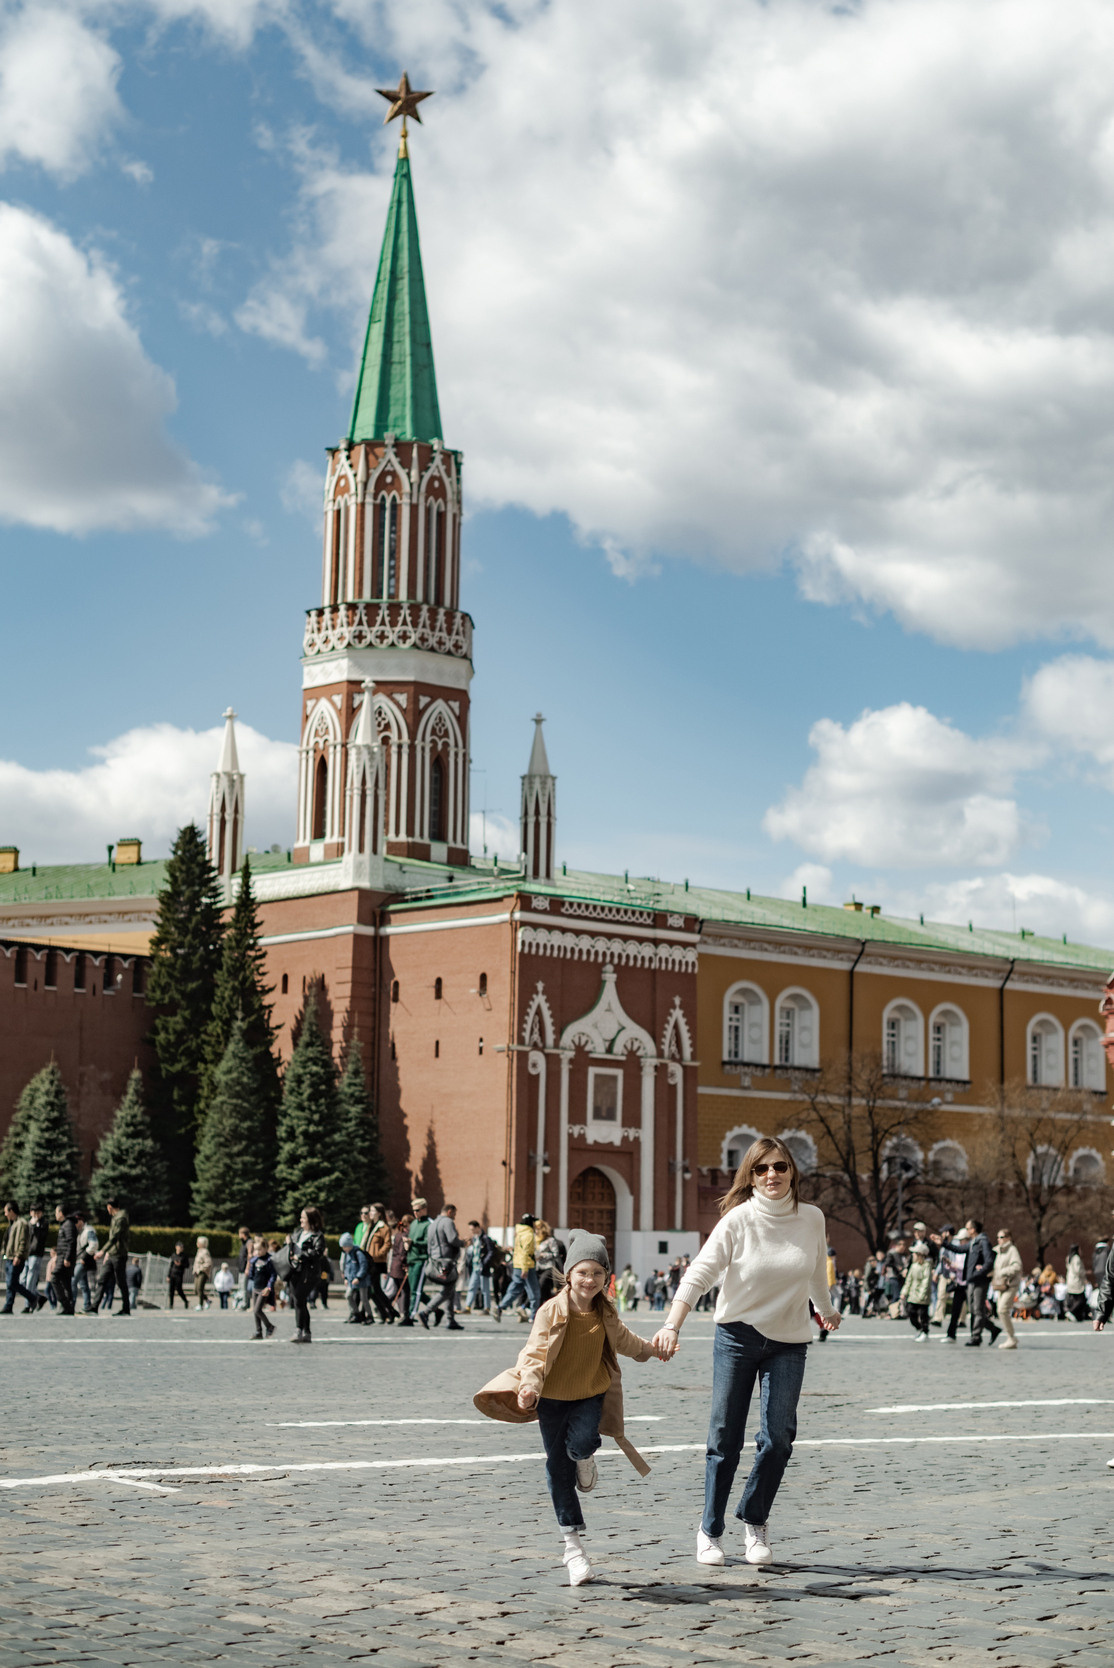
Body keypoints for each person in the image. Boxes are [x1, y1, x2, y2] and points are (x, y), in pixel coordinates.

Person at [652, 1135, 840, 1570]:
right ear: (750, 1175)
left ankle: (754, 1521)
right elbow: (699, 1274)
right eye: (761, 1169)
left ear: (792, 1169)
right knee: (725, 1438)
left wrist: (825, 1311)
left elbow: (815, 1270)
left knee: (778, 1439)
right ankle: (710, 1530)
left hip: (789, 1342)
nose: (771, 1175)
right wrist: (670, 1325)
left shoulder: (811, 1218)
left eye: (779, 1166)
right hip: (736, 1336)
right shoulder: (738, 1220)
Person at [474, 1229, 667, 1587]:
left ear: (605, 1277)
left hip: (590, 1394)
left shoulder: (605, 1312)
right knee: (556, 1468)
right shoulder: (551, 1310)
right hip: (551, 1400)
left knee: (582, 1443)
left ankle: (584, 1456)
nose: (589, 1280)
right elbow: (533, 1352)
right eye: (582, 1272)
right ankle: (573, 1548)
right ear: (568, 1273)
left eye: (597, 1273)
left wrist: (654, 1350)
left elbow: (626, 1341)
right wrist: (529, 1386)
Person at [419, 1203, 464, 1329]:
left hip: (433, 1261)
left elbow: (429, 1245)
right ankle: (426, 1311)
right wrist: (463, 1243)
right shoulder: (448, 1222)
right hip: (445, 1262)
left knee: (450, 1289)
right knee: (448, 1288)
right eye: (454, 1214)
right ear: (449, 1211)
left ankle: (451, 1320)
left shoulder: (432, 1224)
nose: (454, 1217)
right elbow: (452, 1239)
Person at [287, 1206, 326, 1344]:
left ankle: (299, 1329)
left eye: (303, 1217)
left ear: (310, 1219)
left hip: (309, 1273)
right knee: (300, 1301)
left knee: (299, 1297)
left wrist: (301, 1255)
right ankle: (306, 1332)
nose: (301, 1220)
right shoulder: (297, 1233)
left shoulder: (318, 1236)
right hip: (294, 1271)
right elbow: (290, 1248)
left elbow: (318, 1253)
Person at [497, 1213, 540, 1322]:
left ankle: (501, 1307)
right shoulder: (529, 1234)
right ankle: (533, 1316)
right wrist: (525, 1269)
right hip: (527, 1266)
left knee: (515, 1288)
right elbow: (526, 1252)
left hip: (517, 1264)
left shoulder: (519, 1233)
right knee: (534, 1292)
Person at [95, 1199, 131, 1317]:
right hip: (112, 1254)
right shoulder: (117, 1217)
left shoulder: (121, 1218)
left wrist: (102, 1251)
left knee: (121, 1282)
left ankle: (126, 1308)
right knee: (102, 1279)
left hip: (118, 1254)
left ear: (110, 1207)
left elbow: (115, 1237)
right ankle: (94, 1306)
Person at [2, 1202, 37, 1314]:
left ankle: (33, 1298)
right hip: (10, 1257)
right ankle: (8, 1306)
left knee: (12, 1282)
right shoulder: (13, 1223)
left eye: (6, 1211)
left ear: (12, 1211)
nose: (5, 1214)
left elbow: (22, 1241)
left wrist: (18, 1255)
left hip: (16, 1258)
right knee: (10, 1283)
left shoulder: (21, 1223)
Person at [991, 1228, 1023, 1349]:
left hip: (1010, 1284)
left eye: (1002, 1237)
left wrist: (1002, 1272)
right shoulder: (998, 1251)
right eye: (998, 1237)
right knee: (1000, 1311)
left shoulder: (1012, 1250)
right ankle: (1011, 1337)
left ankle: (1011, 1338)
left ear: (1008, 1238)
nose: (999, 1239)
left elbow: (1017, 1266)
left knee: (1002, 1309)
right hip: (1001, 1285)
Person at [365, 1204, 395, 1324]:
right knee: (373, 1290)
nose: (370, 1213)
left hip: (377, 1262)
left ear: (379, 1213)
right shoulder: (370, 1226)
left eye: (372, 1211)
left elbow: (388, 1244)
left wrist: (377, 1254)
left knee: (374, 1289)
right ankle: (387, 1313)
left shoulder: (384, 1227)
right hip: (368, 1261)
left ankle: (388, 1312)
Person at [900, 1242, 932, 1341]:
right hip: (913, 1295)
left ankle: (925, 1332)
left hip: (922, 1296)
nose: (912, 1255)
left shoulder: (927, 1266)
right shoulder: (913, 1266)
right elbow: (909, 1280)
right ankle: (919, 1329)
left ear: (920, 1255)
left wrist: (922, 1294)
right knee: (911, 1313)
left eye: (914, 1253)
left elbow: (926, 1281)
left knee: (923, 1315)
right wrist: (904, 1292)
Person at [406, 1199, 431, 1320]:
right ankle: (435, 1308)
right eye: (413, 1210)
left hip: (422, 1259)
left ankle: (411, 1315)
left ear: (424, 1209)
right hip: (412, 1258)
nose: (415, 1213)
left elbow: (429, 1242)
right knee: (413, 1289)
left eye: (417, 1210)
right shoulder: (414, 1223)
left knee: (416, 1290)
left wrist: (413, 1242)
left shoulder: (429, 1224)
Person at [464, 1219, 496, 1313]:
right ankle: (468, 1307)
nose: (472, 1231)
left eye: (473, 1229)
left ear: (478, 1227)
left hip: (483, 1267)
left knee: (485, 1288)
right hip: (475, 1266)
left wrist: (485, 1262)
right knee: (472, 1287)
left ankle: (487, 1308)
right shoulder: (475, 1238)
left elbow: (491, 1251)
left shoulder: (485, 1238)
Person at [339, 1232, 372, 1323]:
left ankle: (369, 1315)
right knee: (348, 1295)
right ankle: (355, 1313)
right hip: (351, 1279)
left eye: (344, 1246)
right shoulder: (347, 1254)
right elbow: (347, 1267)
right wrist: (346, 1278)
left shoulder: (358, 1252)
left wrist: (359, 1277)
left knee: (364, 1299)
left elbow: (363, 1265)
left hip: (361, 1280)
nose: (343, 1248)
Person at [248, 1237, 276, 1339]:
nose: (257, 1252)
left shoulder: (269, 1260)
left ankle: (270, 1326)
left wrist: (269, 1287)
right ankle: (258, 1331)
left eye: (259, 1249)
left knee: (257, 1310)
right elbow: (252, 1275)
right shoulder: (255, 1260)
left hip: (264, 1289)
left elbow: (273, 1275)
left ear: (265, 1248)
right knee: (255, 1312)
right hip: (256, 1287)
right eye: (255, 1249)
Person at [22, 1204, 48, 1312]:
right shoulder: (28, 1223)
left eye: (38, 1212)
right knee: (21, 1280)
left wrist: (35, 1225)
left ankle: (28, 1305)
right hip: (27, 1254)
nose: (36, 1214)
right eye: (34, 1212)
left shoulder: (43, 1223)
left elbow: (41, 1237)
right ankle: (38, 1297)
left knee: (30, 1281)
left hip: (36, 1255)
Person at [53, 1206, 78, 1316]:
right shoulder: (66, 1224)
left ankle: (65, 1304)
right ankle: (69, 1308)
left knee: (54, 1278)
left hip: (64, 1258)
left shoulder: (68, 1225)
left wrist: (67, 1258)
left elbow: (71, 1242)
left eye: (56, 1212)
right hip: (63, 1257)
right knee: (66, 1282)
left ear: (61, 1213)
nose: (55, 1215)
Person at [534, 1220, 565, 1304]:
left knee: (541, 1284)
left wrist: (543, 1255)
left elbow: (555, 1254)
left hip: (548, 1267)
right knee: (543, 1289)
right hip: (537, 1267)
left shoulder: (550, 1240)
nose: (536, 1231)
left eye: (538, 1229)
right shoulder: (535, 1241)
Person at [73, 1214, 98, 1314]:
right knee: (83, 1285)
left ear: (81, 1220)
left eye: (76, 1222)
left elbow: (94, 1244)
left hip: (83, 1261)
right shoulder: (80, 1231)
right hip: (80, 1260)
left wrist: (84, 1257)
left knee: (73, 1280)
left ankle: (72, 1303)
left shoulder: (88, 1230)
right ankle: (87, 1305)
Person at [1064, 1245, 1089, 1322]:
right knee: (1081, 1299)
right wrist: (1086, 1273)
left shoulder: (1069, 1258)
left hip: (1070, 1280)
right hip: (1076, 1281)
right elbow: (1078, 1271)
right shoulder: (1076, 1258)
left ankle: (1077, 1316)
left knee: (1075, 1298)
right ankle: (1071, 1312)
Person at [167, 1242, 190, 1308]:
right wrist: (168, 1276)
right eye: (180, 1247)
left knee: (179, 1289)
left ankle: (185, 1301)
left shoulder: (184, 1256)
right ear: (176, 1247)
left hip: (179, 1274)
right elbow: (171, 1266)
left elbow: (187, 1265)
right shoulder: (173, 1255)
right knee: (171, 1290)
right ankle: (171, 1304)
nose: (181, 1248)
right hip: (172, 1274)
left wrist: (181, 1264)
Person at [193, 1236, 213, 1309]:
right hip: (197, 1272)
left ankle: (200, 1304)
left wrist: (201, 1269)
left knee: (200, 1288)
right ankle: (207, 1300)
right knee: (196, 1289)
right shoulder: (199, 1251)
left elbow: (208, 1263)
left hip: (202, 1272)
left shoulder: (205, 1252)